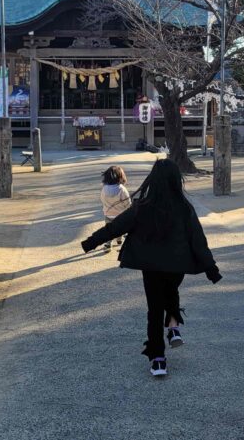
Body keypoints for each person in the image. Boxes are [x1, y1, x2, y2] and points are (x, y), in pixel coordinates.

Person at [81, 158, 222, 377]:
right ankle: (174, 326)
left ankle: (158, 359)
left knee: (154, 310)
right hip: (177, 265)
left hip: (151, 266)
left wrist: (90, 242)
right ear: (177, 180)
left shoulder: (142, 208)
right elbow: (198, 240)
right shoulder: (185, 208)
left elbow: (116, 227)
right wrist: (211, 268)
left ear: (152, 180)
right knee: (171, 291)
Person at [100, 166, 132, 250]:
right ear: (121, 177)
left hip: (108, 215)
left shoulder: (104, 189)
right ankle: (119, 239)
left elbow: (102, 200)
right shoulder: (122, 189)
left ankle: (108, 244)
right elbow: (128, 203)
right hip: (120, 215)